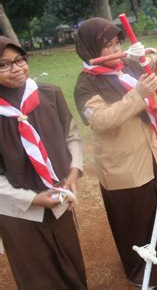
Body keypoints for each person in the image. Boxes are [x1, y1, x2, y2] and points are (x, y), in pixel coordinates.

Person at [74, 17, 157, 288]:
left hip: (148, 153)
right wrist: (137, 95)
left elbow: (156, 67)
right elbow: (100, 120)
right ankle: (143, 272)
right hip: (122, 167)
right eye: (106, 46)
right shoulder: (86, 84)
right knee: (134, 218)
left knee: (154, 210)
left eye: (116, 42)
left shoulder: (127, 65)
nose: (114, 49)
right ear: (89, 50)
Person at [0, 36, 87, 289]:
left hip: (59, 197)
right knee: (37, 275)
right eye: (3, 65)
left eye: (20, 60)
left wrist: (73, 173)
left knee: (72, 266)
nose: (16, 69)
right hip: (17, 210)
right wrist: (33, 200)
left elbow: (72, 136)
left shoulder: (49, 94)